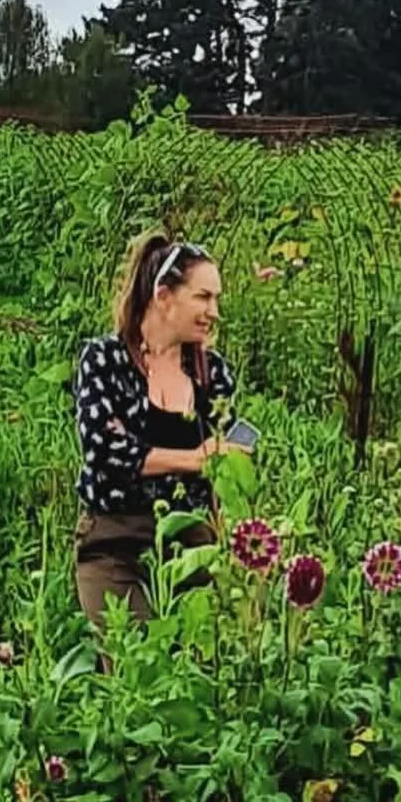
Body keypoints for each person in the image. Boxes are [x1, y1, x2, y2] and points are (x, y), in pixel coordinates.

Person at [72, 234, 241, 629]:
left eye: (216, 299)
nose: (214, 311)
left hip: (193, 542)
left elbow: (224, 459)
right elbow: (104, 454)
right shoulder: (105, 360)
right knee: (132, 660)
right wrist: (194, 458)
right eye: (203, 297)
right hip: (115, 542)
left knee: (201, 661)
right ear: (164, 297)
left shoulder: (212, 374)